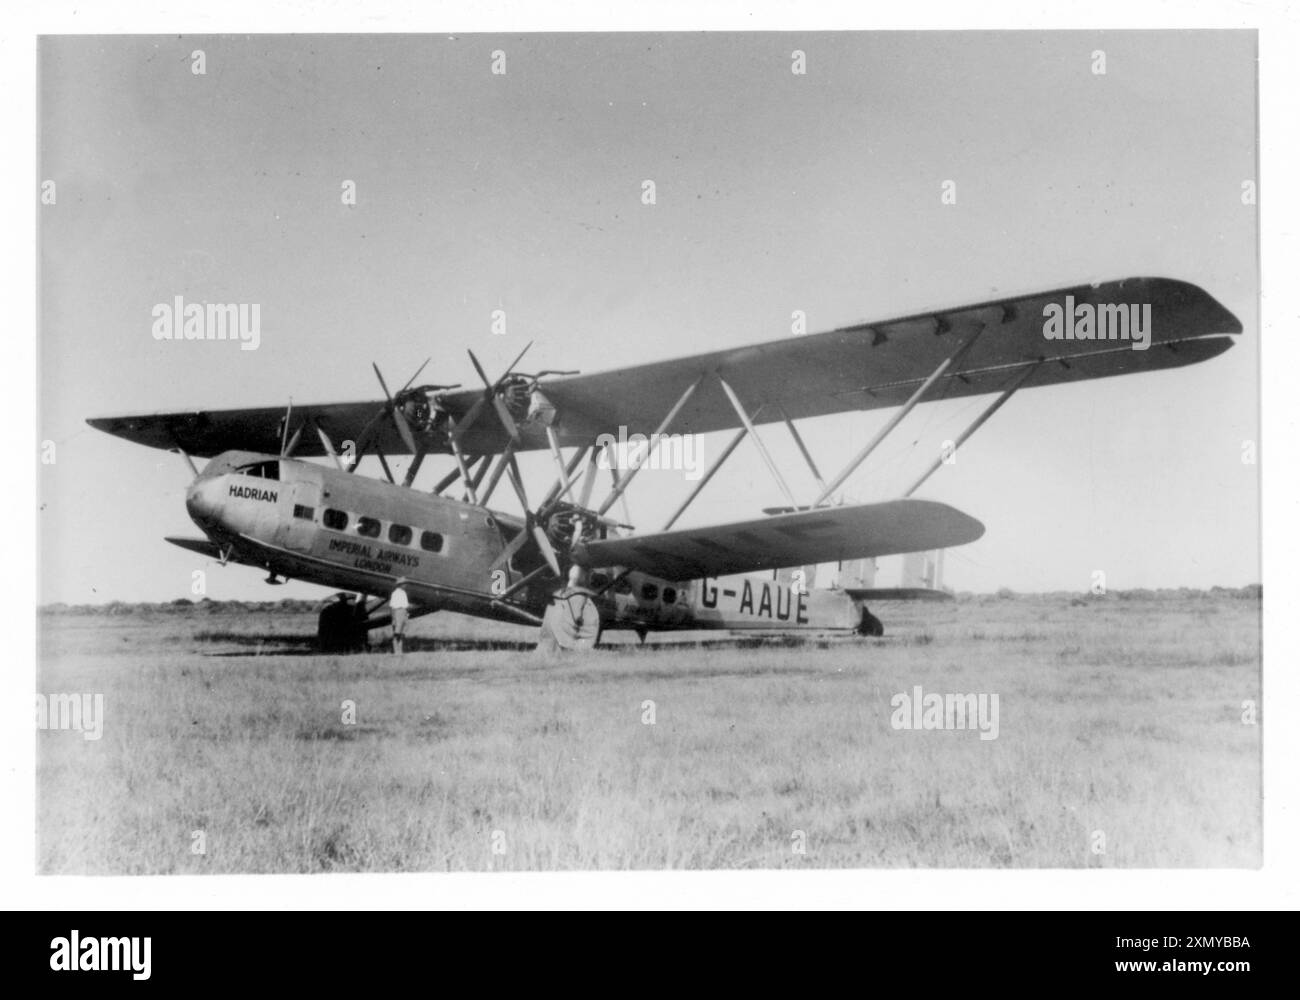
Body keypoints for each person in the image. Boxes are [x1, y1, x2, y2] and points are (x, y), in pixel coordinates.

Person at [389, 581, 409, 654]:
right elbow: (392, 607)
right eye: (404, 584)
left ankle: (400, 650)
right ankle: (395, 651)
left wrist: (406, 614)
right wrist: (393, 618)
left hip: (404, 611)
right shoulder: (395, 593)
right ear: (400, 585)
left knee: (402, 633)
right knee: (396, 633)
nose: (406, 585)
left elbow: (406, 605)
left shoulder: (404, 593)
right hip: (398, 612)